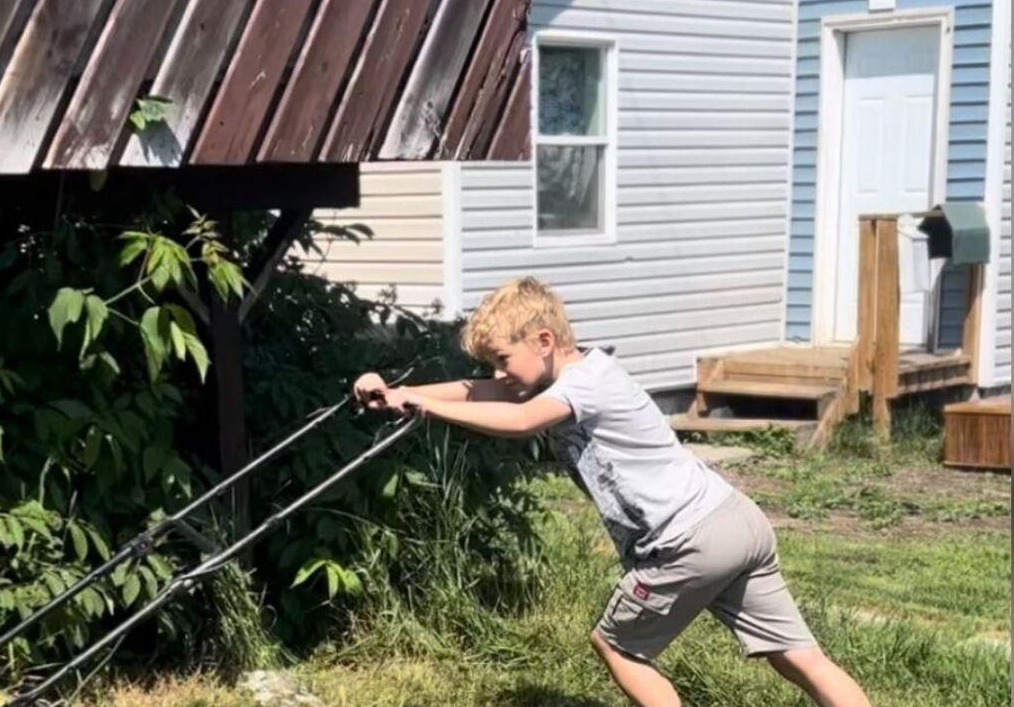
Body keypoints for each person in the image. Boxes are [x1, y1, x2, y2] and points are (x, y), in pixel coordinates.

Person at [352, 277, 870, 707]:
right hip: (735, 520)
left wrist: (426, 408)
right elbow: (480, 390)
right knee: (799, 654)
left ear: (544, 341)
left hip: (688, 539)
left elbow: (521, 419)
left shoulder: (585, 384)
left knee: (617, 644)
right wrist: (402, 394)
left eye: (504, 359)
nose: (497, 372)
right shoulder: (571, 375)